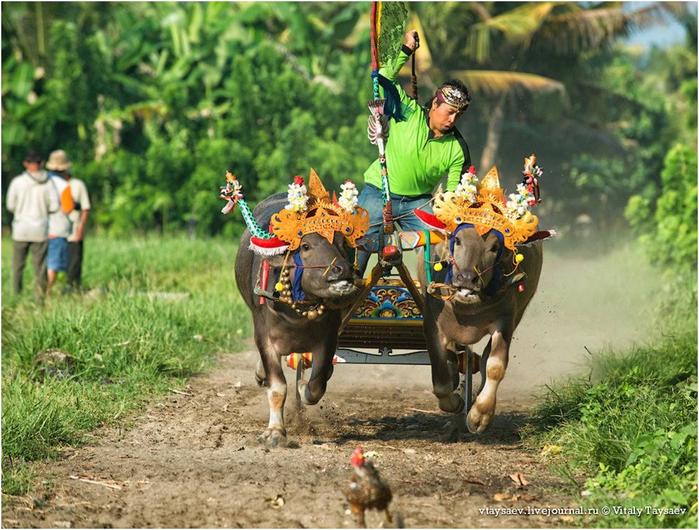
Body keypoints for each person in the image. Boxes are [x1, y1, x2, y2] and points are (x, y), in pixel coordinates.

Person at [357, 30, 472, 274]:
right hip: (380, 192)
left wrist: (448, 212)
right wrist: (406, 49)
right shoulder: (407, 111)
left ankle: (435, 293)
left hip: (419, 203)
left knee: (442, 243)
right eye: (449, 111)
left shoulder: (457, 148)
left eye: (458, 115)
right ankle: (349, 286)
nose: (452, 119)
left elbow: (453, 194)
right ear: (434, 105)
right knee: (356, 240)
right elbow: (382, 76)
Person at [5, 151, 59, 299]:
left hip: (21, 230)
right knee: (40, 268)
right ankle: (39, 300)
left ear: (26, 164)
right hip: (40, 230)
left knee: (17, 266)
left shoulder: (17, 182)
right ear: (41, 163)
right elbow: (55, 206)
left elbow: (10, 205)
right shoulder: (49, 182)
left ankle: (16, 296)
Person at [45, 149, 91, 292]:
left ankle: (73, 292)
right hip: (54, 232)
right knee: (52, 265)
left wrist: (80, 230)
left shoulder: (77, 185)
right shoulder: (48, 184)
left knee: (73, 267)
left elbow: (85, 208)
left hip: (73, 232)